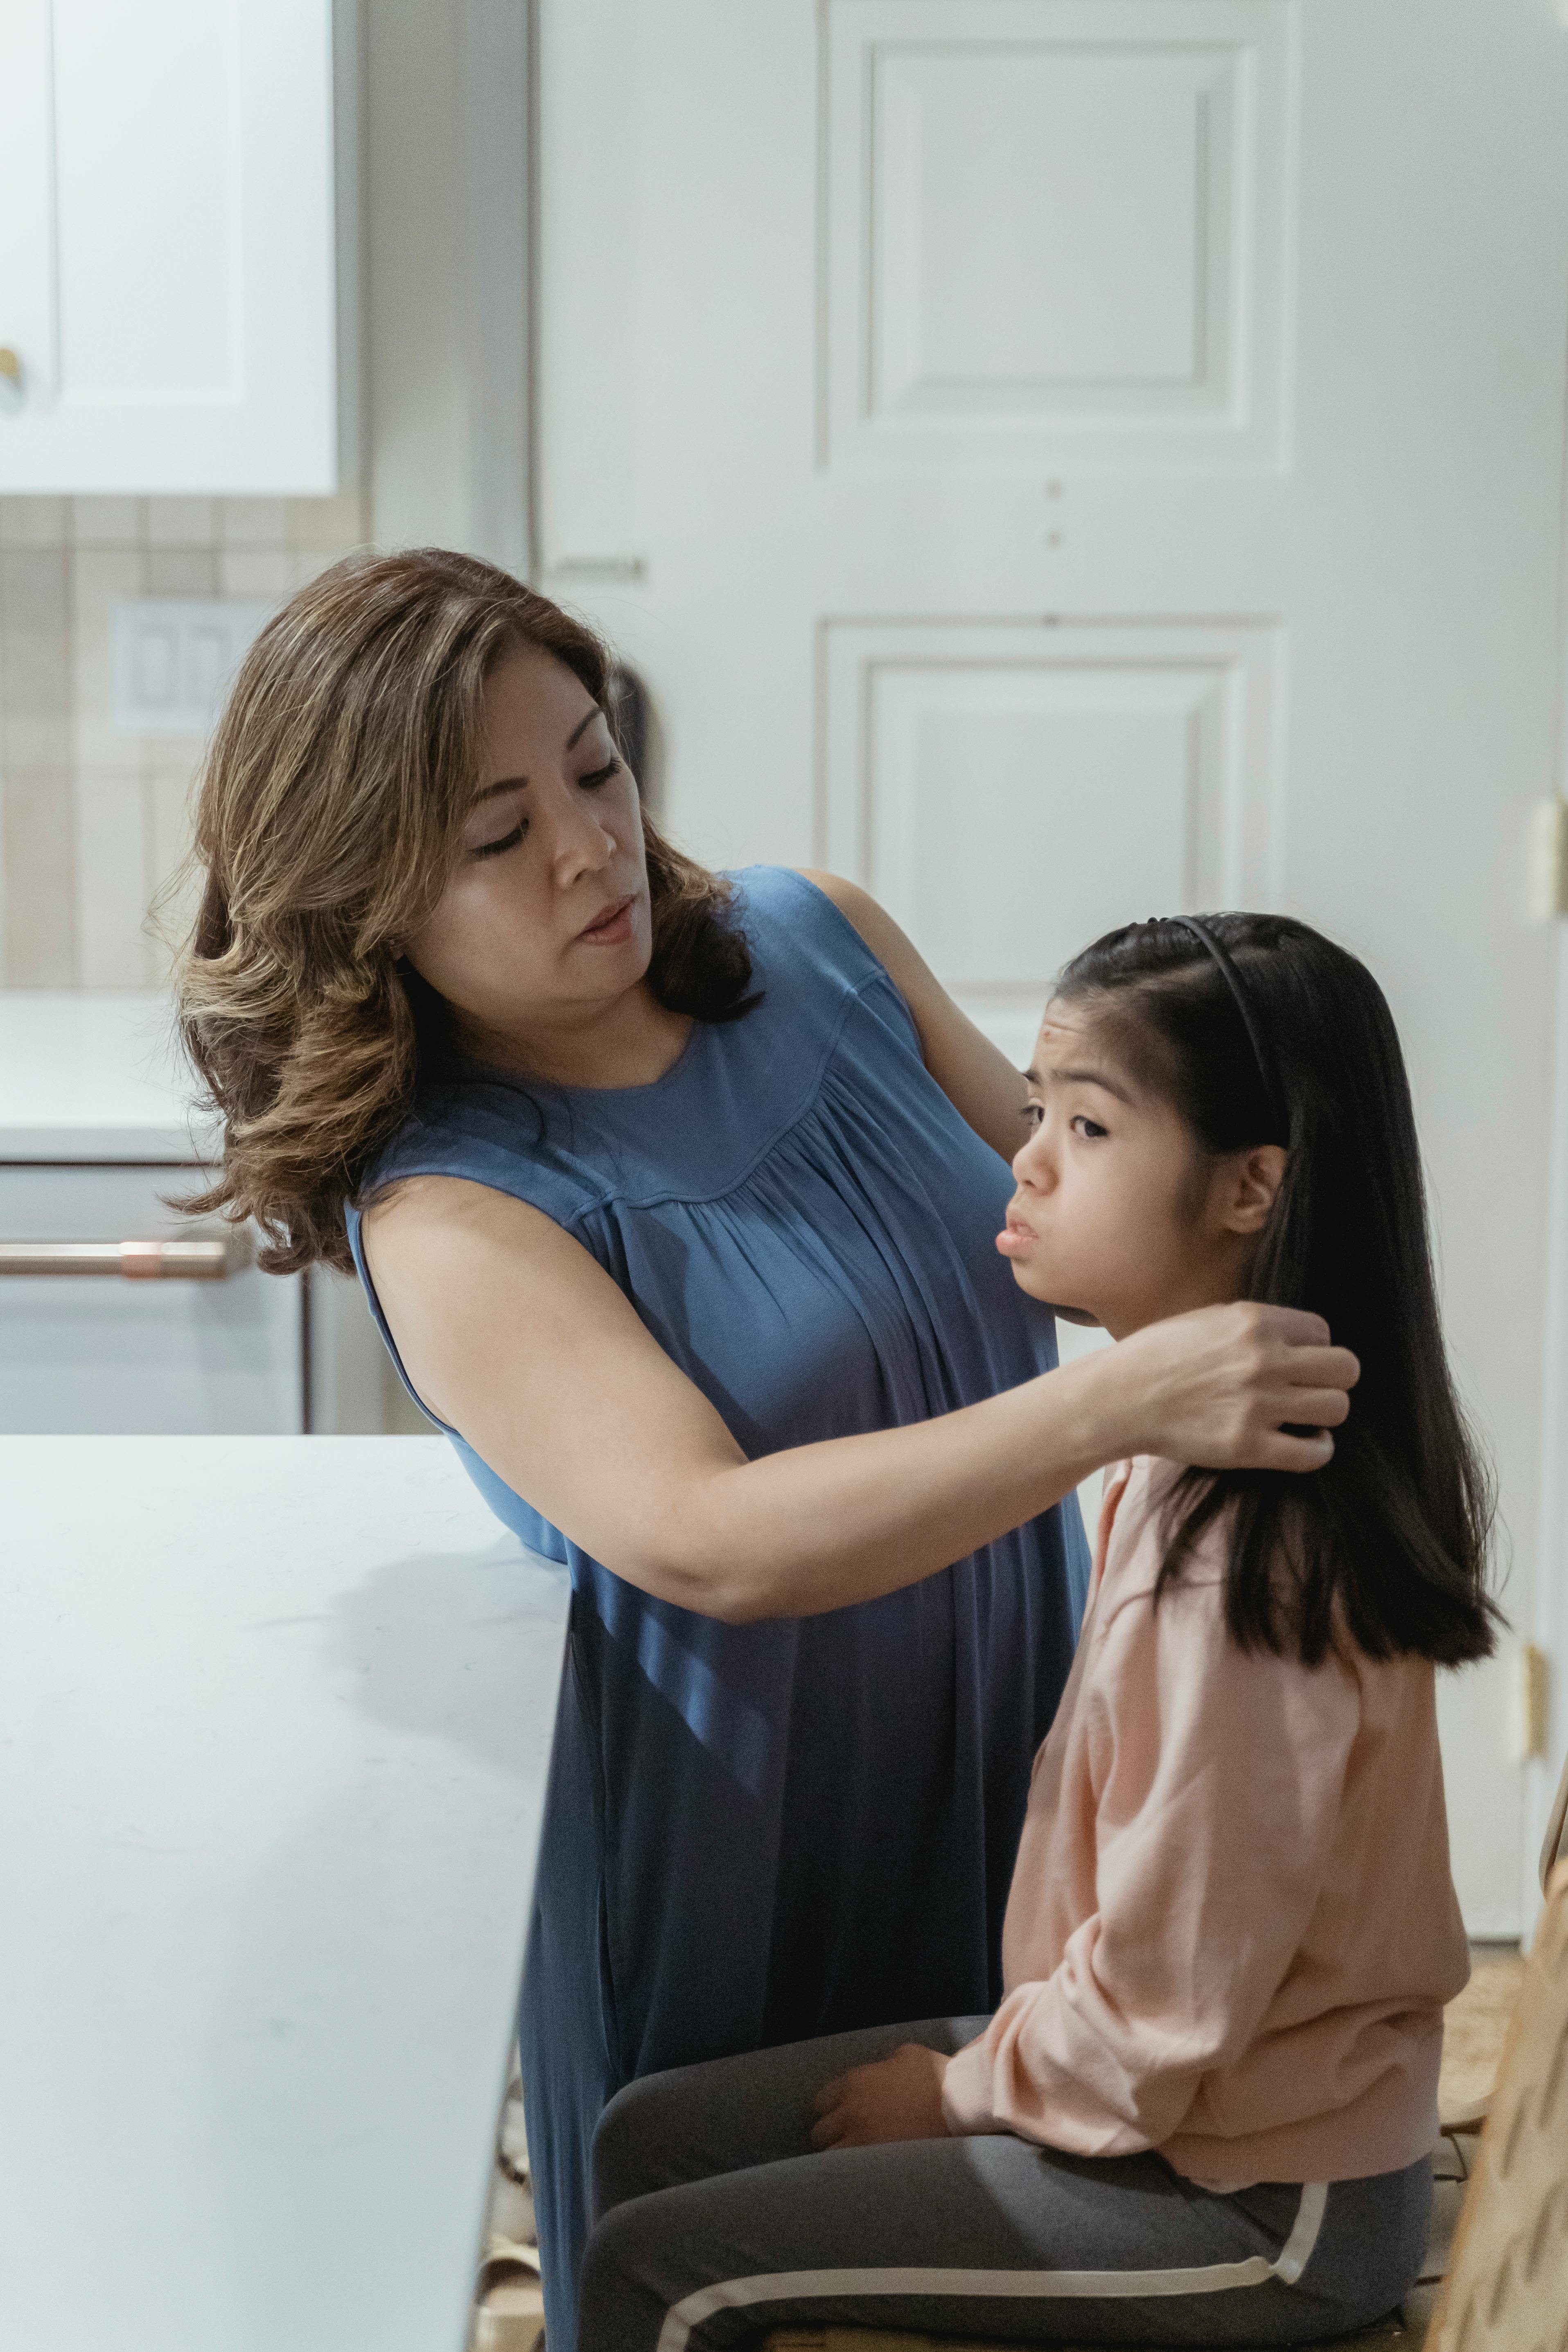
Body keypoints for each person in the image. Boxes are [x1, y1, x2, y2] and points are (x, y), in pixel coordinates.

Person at [172, 552, 1357, 2351]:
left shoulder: (823, 941)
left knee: (995, 2230)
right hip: (745, 1839)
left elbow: (1094, 1215)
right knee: (722, 2263)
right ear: (367, 902)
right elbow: (712, 1537)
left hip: (1012, 1740)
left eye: (593, 765)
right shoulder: (450, 1206)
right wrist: (1115, 1409)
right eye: (497, 835)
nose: (587, 846)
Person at [576, 912, 1496, 2352]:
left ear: (1252, 1185)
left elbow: (1168, 2009)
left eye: (1089, 1124)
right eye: (1035, 1112)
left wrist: (947, 2095)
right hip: (1177, 2111)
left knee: (661, 2266)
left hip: (1265, 2201)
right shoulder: (1165, 1455)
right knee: (646, 2137)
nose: (1028, 1160)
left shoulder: (1241, 1567)